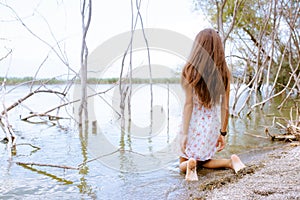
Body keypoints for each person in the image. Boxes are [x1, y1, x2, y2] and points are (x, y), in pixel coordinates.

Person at [179, 28, 246, 181]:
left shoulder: (189, 71)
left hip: (192, 125)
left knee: (182, 162)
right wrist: (222, 133)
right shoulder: (224, 74)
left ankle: (191, 166)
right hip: (210, 127)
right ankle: (231, 162)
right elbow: (225, 107)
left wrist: (184, 134)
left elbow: (188, 105)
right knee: (205, 159)